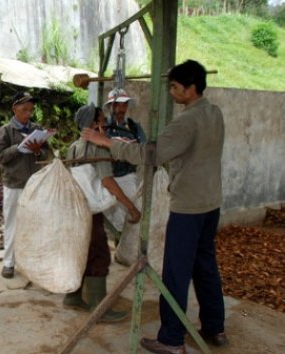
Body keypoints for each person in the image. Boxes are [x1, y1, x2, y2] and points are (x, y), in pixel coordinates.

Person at [82, 60, 227, 354]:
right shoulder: (214, 113)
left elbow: (151, 154)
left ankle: (172, 340)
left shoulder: (187, 121)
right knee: (205, 266)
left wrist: (107, 142)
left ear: (190, 89)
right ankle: (215, 328)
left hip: (188, 207)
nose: (172, 93)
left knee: (176, 271)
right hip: (210, 202)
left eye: (174, 88)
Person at [62, 103, 140, 322]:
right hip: (91, 211)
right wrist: (131, 207)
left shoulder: (74, 147)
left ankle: (73, 296)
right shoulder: (98, 147)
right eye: (102, 120)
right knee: (99, 255)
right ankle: (98, 307)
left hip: (77, 209)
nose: (105, 123)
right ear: (94, 124)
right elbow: (107, 182)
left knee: (82, 251)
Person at [0, 91, 49, 279]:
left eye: (31, 110)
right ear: (14, 109)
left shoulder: (36, 128)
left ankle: (32, 261)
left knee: (35, 224)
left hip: (34, 185)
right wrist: (18, 147)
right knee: (12, 224)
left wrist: (38, 150)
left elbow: (46, 155)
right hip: (14, 184)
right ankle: (9, 263)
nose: (28, 113)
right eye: (24, 109)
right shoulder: (5, 131)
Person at [102, 88, 146, 233]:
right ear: (110, 107)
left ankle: (122, 245)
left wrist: (131, 146)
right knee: (107, 216)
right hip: (106, 176)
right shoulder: (102, 126)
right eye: (117, 105)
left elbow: (143, 149)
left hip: (127, 176)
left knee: (128, 214)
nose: (121, 109)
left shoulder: (134, 127)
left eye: (124, 105)